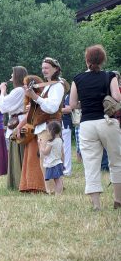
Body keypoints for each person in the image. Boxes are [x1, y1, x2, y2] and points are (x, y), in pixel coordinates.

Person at [69, 44, 121, 210]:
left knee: (91, 164)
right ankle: (118, 200)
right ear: (103, 60)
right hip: (107, 121)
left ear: (87, 60)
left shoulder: (77, 79)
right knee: (116, 161)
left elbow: (72, 105)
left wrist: (85, 103)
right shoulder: (110, 75)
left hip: (86, 124)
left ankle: (97, 205)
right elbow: (117, 97)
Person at [16, 57, 66, 193]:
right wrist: (32, 105)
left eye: (47, 68)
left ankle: (53, 191)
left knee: (50, 161)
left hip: (49, 126)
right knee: (45, 160)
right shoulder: (48, 86)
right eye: (43, 68)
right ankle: (51, 190)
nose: (44, 70)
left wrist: (35, 97)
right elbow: (42, 106)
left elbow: (52, 107)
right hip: (42, 126)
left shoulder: (57, 86)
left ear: (55, 69)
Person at [0, 66, 27, 189]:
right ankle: (18, 181)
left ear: (17, 76)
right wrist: (4, 93)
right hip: (16, 121)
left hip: (18, 122)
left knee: (17, 153)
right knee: (15, 152)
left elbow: (4, 106)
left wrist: (1, 90)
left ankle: (18, 182)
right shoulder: (19, 90)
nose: (11, 75)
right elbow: (9, 103)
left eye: (13, 73)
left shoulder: (19, 91)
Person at [38, 121, 64, 195]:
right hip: (58, 162)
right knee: (58, 180)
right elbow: (63, 153)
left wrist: (41, 145)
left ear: (51, 131)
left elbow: (46, 152)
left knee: (57, 180)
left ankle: (58, 194)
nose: (47, 132)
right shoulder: (60, 140)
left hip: (53, 163)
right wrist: (63, 162)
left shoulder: (51, 143)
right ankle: (58, 192)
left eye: (48, 131)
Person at [61, 94, 73, 176]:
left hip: (65, 124)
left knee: (66, 148)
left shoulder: (67, 96)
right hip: (57, 124)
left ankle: (67, 170)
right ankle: (61, 169)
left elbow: (69, 109)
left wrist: (56, 109)